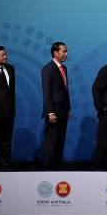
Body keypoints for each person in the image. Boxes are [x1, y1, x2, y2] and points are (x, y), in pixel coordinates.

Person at [41, 41, 71, 170]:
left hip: (63, 110)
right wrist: (50, 112)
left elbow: (65, 90)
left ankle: (57, 168)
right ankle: (48, 169)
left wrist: (68, 108)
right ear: (55, 53)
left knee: (60, 141)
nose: (66, 54)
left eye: (66, 51)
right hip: (53, 112)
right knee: (51, 142)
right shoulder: (48, 68)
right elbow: (46, 92)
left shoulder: (64, 68)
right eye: (64, 51)